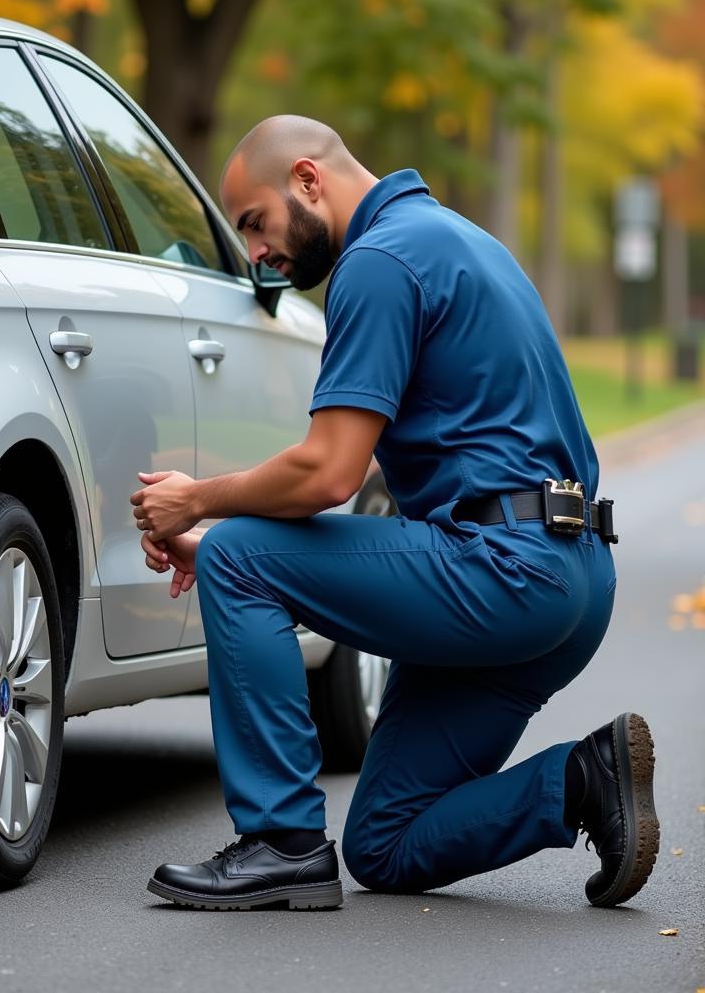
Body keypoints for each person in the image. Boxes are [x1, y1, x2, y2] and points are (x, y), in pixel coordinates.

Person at [129, 116, 659, 911]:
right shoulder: (461, 241)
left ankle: (280, 840)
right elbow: (400, 446)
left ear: (308, 181)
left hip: (503, 570)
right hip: (573, 577)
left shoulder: (377, 262)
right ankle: (582, 780)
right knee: (386, 840)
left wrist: (198, 503)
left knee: (242, 553)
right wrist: (239, 544)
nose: (256, 255)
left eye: (255, 224)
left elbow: (328, 473)